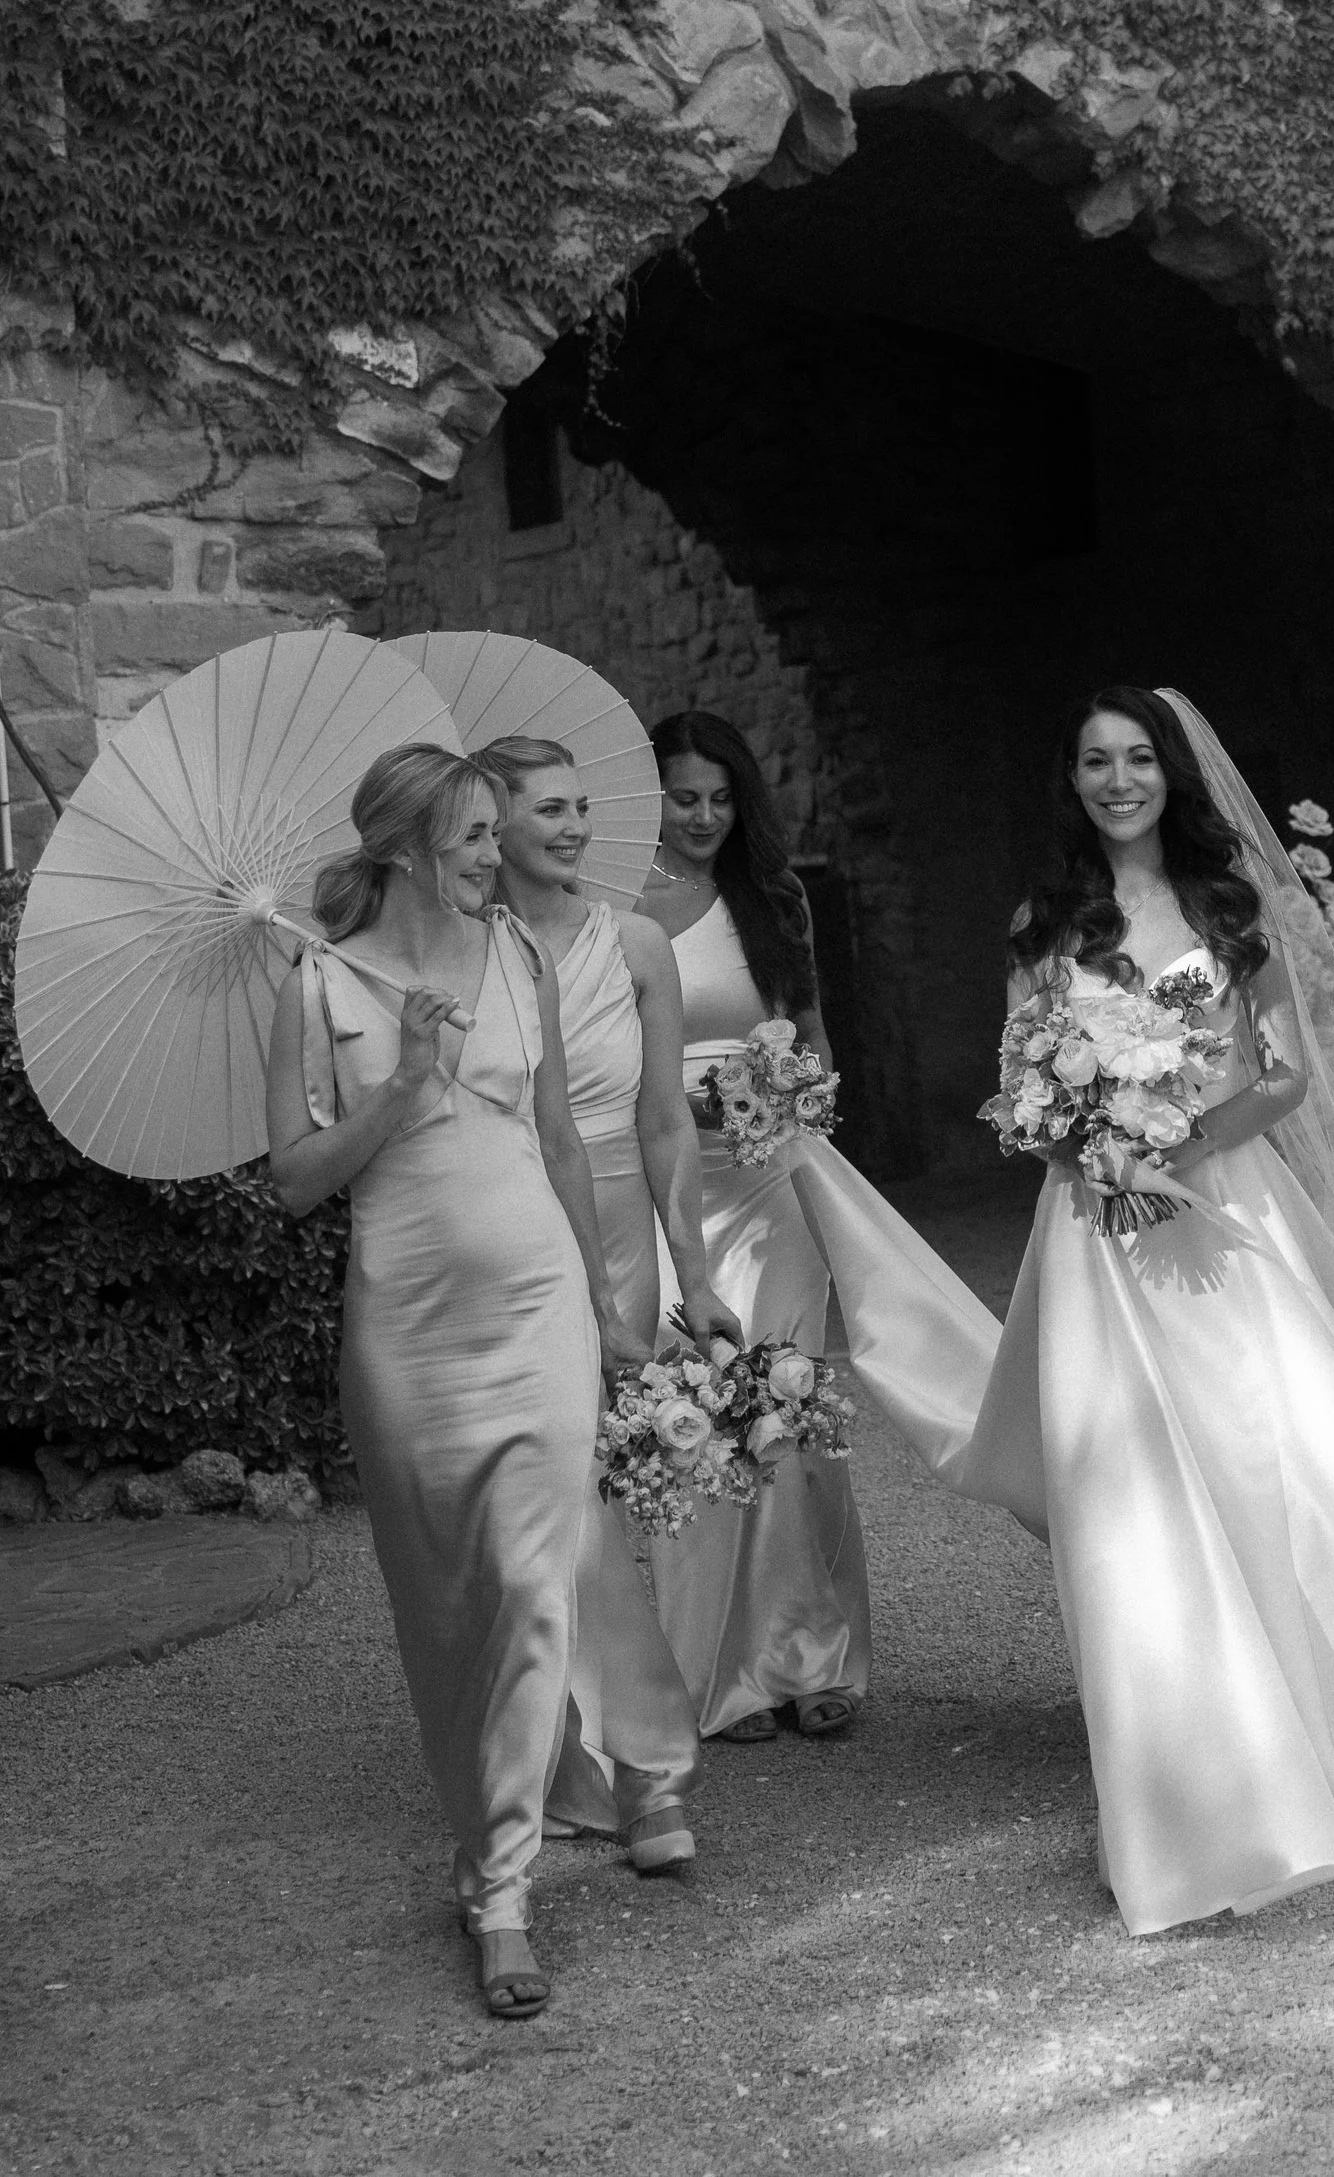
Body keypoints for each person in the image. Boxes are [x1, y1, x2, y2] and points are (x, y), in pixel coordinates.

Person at [780, 685, 1334, 1935]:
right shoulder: (1045, 920)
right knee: (1127, 1495)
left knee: (1287, 1460)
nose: (1117, 780)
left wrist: (1175, 1142)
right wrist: (1086, 1139)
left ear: (1170, 773)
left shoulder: (1228, 906)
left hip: (1226, 1214)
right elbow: (1021, 1075)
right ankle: (1192, 1794)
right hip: (1095, 1236)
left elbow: (1285, 1075)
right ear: (1071, 780)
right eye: (1095, 760)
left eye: (1137, 757)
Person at [264, 745, 638, 2019]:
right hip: (406, 1328)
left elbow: (559, 1139)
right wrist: (404, 1085)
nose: (495, 854)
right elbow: (293, 1178)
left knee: (533, 1589)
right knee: (447, 1614)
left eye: (493, 831)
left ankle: (503, 1893)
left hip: (538, 1306)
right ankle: (494, 1828)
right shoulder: (317, 982)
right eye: (474, 836)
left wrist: (605, 1303)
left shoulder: (521, 956)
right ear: (408, 850)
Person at [476, 733, 735, 1873]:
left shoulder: (635, 943)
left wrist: (694, 1270)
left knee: (601, 1492)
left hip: (623, 1223)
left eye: (580, 806)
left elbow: (665, 1118)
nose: (575, 827)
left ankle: (623, 1754)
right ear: (489, 826)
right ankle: (606, 1757)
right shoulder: (465, 951)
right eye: (547, 810)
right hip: (508, 1233)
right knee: (541, 1497)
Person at [636, 710, 868, 1741]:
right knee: (693, 1425)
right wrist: (676, 1107)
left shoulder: (772, 896)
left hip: (770, 1181)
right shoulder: (612, 907)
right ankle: (720, 1672)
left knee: (790, 1416)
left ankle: (811, 1655)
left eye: (723, 799)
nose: (705, 817)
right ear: (650, 796)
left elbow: (812, 1038)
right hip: (665, 1185)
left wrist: (792, 1091)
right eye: (685, 797)